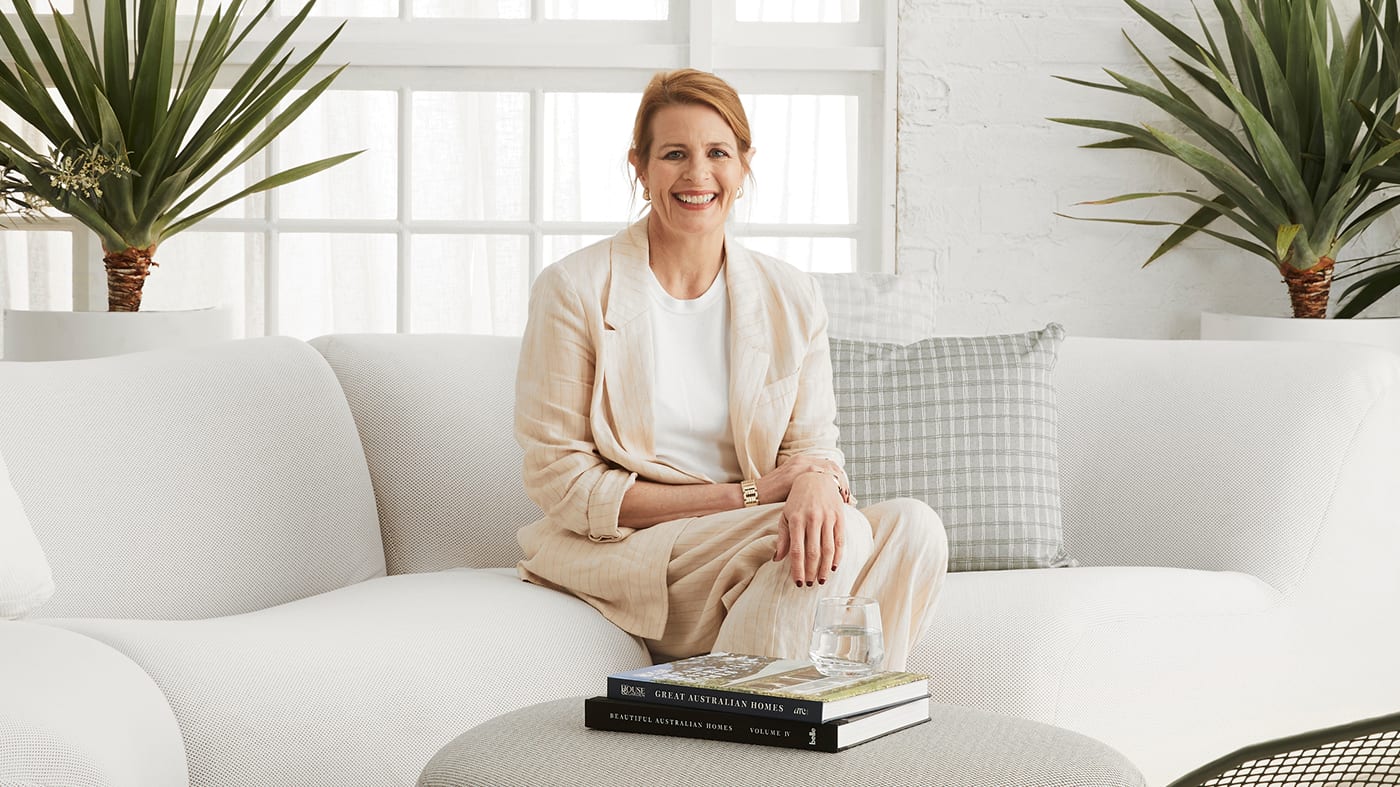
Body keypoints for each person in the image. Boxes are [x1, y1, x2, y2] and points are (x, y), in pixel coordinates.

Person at [514, 68, 947, 669]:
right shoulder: (574, 289)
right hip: (631, 551)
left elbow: (812, 447)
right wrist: (752, 495)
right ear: (640, 167)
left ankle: (841, 703)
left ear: (744, 166)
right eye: (674, 154)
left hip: (746, 544)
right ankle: (753, 714)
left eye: (717, 153)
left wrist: (816, 481)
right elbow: (562, 483)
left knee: (916, 528)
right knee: (834, 534)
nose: (697, 174)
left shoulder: (790, 294)